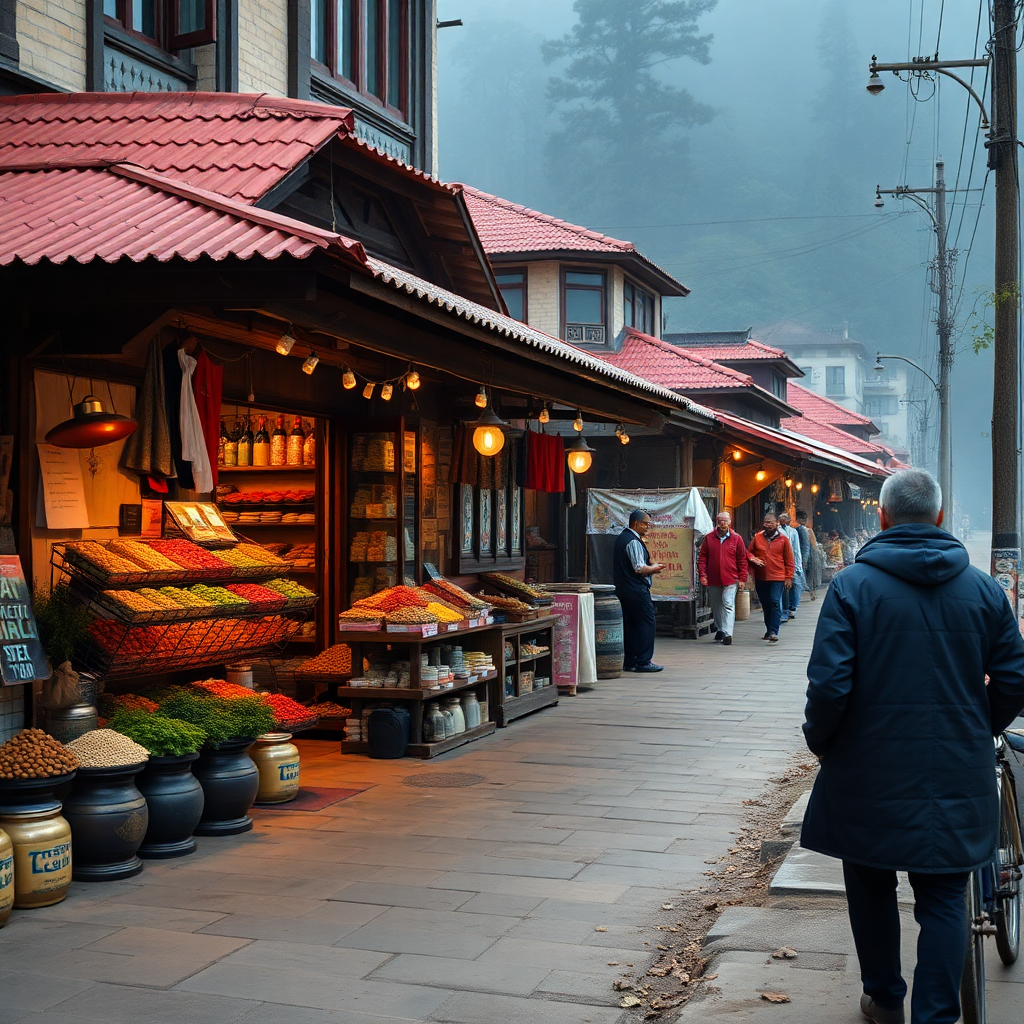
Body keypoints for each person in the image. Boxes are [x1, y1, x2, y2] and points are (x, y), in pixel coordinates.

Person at [801, 469, 1024, 1024]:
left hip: (866, 770)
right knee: (946, 896)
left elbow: (829, 686)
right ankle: (936, 1015)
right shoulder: (983, 588)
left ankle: (883, 999)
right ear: (940, 518)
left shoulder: (852, 587)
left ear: (882, 517)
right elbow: (1015, 677)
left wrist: (823, 743)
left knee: (871, 880)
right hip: (956, 766)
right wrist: (982, 725)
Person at [613, 509, 665, 672]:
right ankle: (643, 660)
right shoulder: (632, 541)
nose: (648, 527)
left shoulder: (624, 538)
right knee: (646, 622)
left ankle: (630, 660)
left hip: (624, 588)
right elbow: (639, 568)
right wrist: (654, 568)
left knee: (631, 624)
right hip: (636, 589)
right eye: (646, 524)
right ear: (636, 524)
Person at [697, 511, 748, 647]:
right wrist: (703, 574)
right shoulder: (709, 538)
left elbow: (742, 559)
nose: (723, 523)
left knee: (727, 603)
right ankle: (720, 628)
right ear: (716, 522)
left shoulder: (737, 539)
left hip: (731, 578)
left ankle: (727, 633)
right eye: (720, 521)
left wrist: (742, 578)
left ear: (730, 522)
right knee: (716, 605)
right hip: (713, 578)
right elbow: (702, 558)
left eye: (725, 521)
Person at [746, 512, 794, 642]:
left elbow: (789, 559)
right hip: (761, 577)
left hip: (778, 577)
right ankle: (769, 629)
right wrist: (753, 559)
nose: (769, 525)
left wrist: (789, 577)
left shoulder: (783, 540)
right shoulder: (757, 538)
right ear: (763, 524)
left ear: (777, 523)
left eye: (771, 522)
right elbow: (748, 553)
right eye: (767, 522)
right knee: (766, 604)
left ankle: (774, 630)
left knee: (774, 601)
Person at [777, 512, 804, 621]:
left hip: (792, 562)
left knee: (796, 585)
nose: (783, 521)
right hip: (779, 562)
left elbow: (797, 549)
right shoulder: (776, 531)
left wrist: (799, 565)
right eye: (781, 519)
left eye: (785, 519)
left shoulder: (793, 532)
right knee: (782, 588)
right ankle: (783, 611)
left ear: (788, 521)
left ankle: (792, 608)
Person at [795, 510, 818, 600]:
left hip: (804, 556)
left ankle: (809, 593)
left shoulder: (802, 530)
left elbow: (805, 545)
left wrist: (804, 558)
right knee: (807, 575)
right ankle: (811, 593)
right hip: (806, 555)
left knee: (805, 575)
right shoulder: (805, 530)